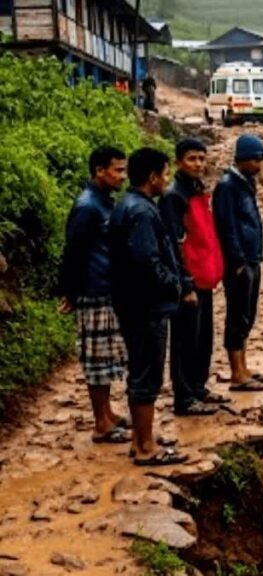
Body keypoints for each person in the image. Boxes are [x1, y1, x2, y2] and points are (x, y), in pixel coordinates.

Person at [109, 147, 187, 466]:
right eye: (165, 173)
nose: (167, 180)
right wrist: (172, 282)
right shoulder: (142, 213)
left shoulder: (126, 205)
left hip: (130, 302)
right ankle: (145, 447)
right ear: (153, 177)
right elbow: (146, 261)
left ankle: (140, 438)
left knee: (140, 371)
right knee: (148, 374)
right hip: (146, 307)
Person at [56, 146, 131, 444]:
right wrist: (71, 292)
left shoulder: (104, 202)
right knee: (97, 361)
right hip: (94, 290)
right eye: (117, 170)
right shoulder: (88, 207)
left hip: (106, 288)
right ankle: (101, 422)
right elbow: (74, 252)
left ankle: (108, 413)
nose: (122, 177)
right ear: (99, 171)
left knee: (106, 356)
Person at [159, 138, 230, 416]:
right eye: (192, 159)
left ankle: (198, 388)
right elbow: (173, 244)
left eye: (201, 158)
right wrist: (184, 283)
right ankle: (184, 397)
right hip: (188, 281)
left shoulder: (197, 190)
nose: (198, 164)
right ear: (178, 162)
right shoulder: (174, 196)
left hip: (204, 279)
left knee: (202, 338)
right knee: (185, 340)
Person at [213, 134, 263, 392]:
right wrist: (236, 261)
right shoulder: (227, 186)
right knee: (237, 316)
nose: (259, 165)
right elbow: (226, 227)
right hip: (240, 262)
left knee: (247, 315)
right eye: (256, 160)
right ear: (243, 159)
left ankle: (244, 368)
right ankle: (237, 373)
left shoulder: (245, 183)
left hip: (251, 258)